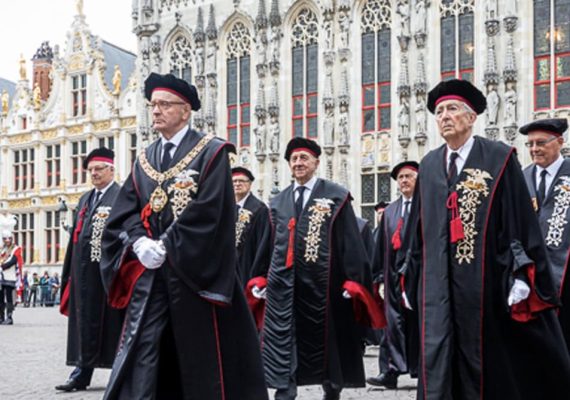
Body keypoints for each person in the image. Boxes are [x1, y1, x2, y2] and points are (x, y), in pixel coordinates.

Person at [99, 73, 268, 400]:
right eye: (152, 105)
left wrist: (167, 244)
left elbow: (211, 209)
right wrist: (140, 242)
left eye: (164, 105)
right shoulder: (144, 158)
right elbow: (125, 209)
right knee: (144, 346)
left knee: (199, 354)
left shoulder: (212, 152)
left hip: (195, 274)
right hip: (151, 274)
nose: (156, 111)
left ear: (185, 110)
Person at [400, 79, 570, 399]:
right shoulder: (430, 166)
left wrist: (521, 274)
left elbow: (518, 223)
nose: (444, 116)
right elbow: (415, 231)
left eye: (452, 109)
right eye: (439, 112)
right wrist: (409, 276)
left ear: (471, 117)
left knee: (487, 363)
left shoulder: (498, 158)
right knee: (438, 356)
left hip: (485, 284)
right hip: (438, 286)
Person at [250, 137, 385, 400]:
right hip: (285, 287)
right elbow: (268, 243)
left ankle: (331, 388)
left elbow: (350, 241)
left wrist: (354, 281)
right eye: (294, 159)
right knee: (283, 340)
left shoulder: (335, 196)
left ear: (316, 163)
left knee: (327, 342)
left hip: (325, 286)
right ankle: (284, 391)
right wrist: (260, 278)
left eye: (304, 158)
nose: (298, 163)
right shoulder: (278, 202)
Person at [56, 147, 124, 392]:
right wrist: (69, 274)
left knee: (113, 325)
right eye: (90, 170)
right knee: (83, 324)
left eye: (98, 169)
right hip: (83, 275)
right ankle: (81, 372)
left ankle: (119, 373)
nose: (94, 174)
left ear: (111, 169)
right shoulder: (85, 199)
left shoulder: (121, 196)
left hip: (107, 275)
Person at [520, 118, 570, 352]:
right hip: (534, 272)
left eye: (540, 143)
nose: (534, 149)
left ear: (559, 141)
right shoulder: (523, 176)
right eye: (529, 144)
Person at [368, 161, 419, 389]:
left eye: (409, 176)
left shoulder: (427, 206)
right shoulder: (390, 211)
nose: (404, 181)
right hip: (392, 276)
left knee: (420, 324)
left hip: (418, 275)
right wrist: (379, 277)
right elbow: (380, 247)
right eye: (401, 178)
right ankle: (389, 372)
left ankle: (423, 371)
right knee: (391, 324)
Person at [232, 166, 271, 289]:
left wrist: (258, 273)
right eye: (234, 181)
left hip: (247, 266)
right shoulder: (227, 207)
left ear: (249, 184)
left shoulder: (259, 209)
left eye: (242, 181)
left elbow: (263, 244)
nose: (237, 184)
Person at [0, 225, 23, 325]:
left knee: (9, 297)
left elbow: (13, 261)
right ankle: (1, 317)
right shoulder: (2, 250)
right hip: (1, 276)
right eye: (5, 239)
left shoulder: (16, 248)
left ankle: (9, 317)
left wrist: (2, 266)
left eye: (9, 238)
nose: (7, 240)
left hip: (10, 276)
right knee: (0, 298)